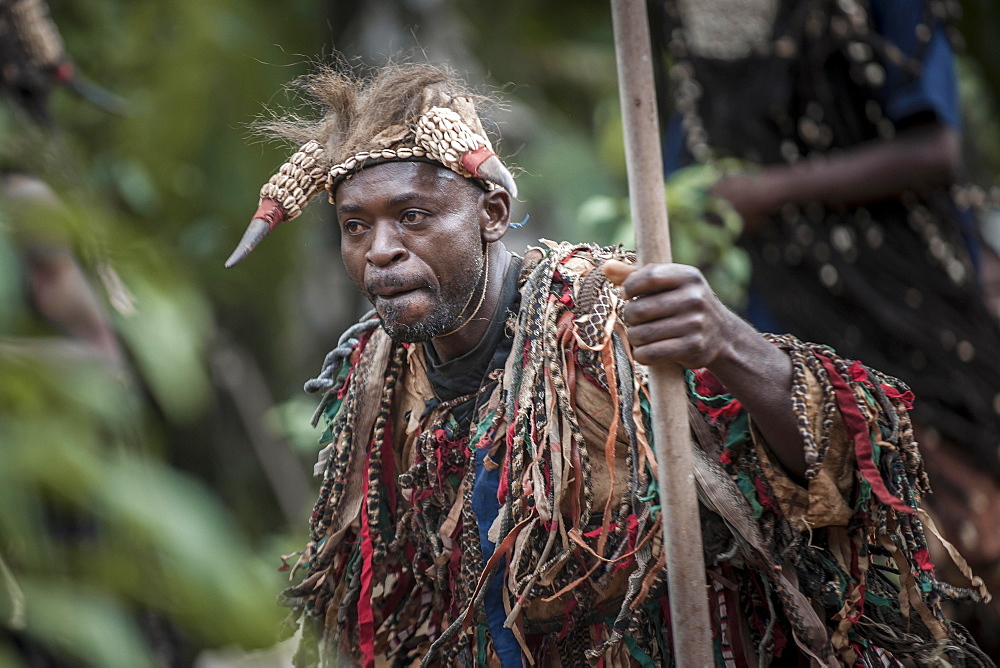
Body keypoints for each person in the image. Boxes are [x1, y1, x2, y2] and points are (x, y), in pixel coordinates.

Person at [227, 63, 991, 666]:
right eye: (355, 226)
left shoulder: (603, 317)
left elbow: (837, 473)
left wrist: (726, 340)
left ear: (491, 214)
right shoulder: (376, 378)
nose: (381, 249)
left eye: (414, 216)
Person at [652, 2, 1000, 643]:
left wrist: (770, 192)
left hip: (915, 310)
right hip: (789, 330)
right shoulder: (695, 31)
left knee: (965, 524)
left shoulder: (872, 11)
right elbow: (683, 180)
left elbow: (936, 149)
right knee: (854, 548)